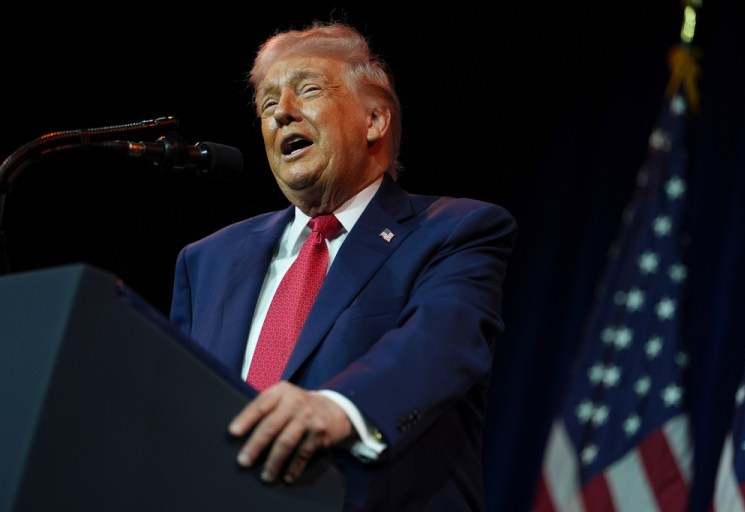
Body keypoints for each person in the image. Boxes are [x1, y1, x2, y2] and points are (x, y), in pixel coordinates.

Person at [169, 20, 517, 512]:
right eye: (267, 105)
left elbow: (441, 340)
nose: (282, 114)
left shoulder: (455, 230)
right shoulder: (207, 261)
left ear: (375, 120)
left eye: (307, 90)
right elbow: (174, 405)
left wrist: (338, 407)